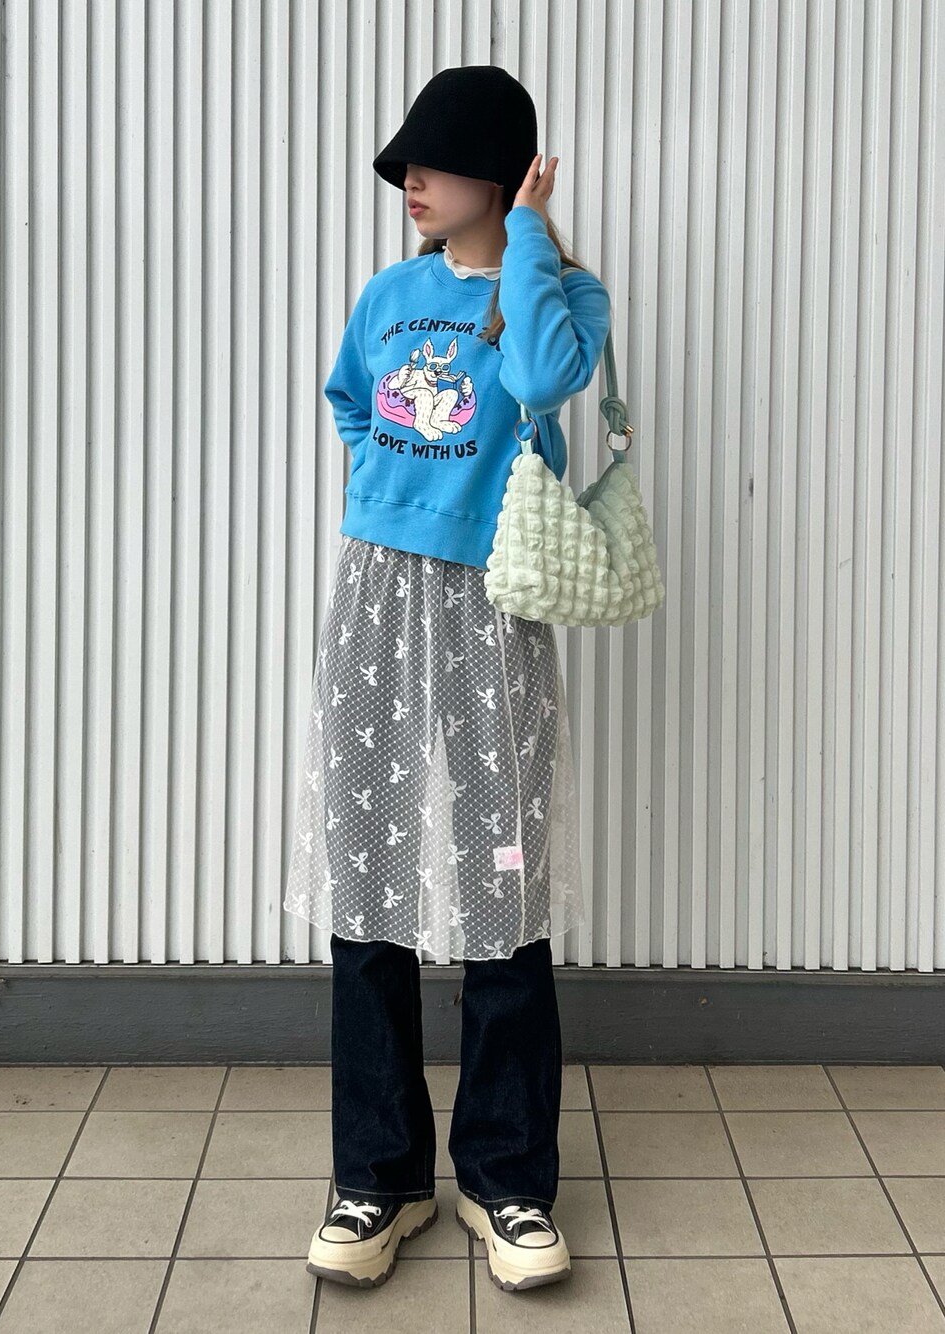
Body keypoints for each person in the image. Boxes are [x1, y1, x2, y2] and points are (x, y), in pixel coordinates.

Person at [282, 64, 611, 1292]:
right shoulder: (388, 293)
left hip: (491, 601)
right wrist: (388, 489)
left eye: (434, 161)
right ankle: (379, 1175)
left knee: (498, 882)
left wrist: (526, 237)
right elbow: (349, 399)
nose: (410, 181)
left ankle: (506, 1175)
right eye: (404, 165)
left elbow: (542, 381)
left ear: (506, 174)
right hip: (378, 592)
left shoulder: (561, 292)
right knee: (367, 879)